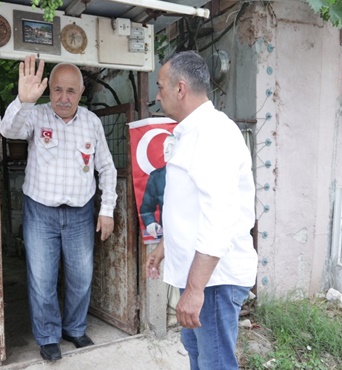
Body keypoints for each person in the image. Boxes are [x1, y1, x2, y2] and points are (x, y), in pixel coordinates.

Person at [0, 55, 117, 361]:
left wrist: (107, 209)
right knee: (42, 278)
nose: (63, 98)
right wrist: (23, 101)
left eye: (71, 91)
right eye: (58, 90)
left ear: (81, 93)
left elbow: (106, 167)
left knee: (81, 276)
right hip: (41, 212)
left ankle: (75, 328)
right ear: (49, 90)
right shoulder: (36, 116)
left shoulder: (91, 122)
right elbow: (8, 132)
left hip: (80, 214)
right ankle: (48, 335)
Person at [145, 50, 258, 369]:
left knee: (215, 363)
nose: (158, 95)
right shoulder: (190, 133)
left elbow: (219, 218)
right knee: (198, 355)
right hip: (198, 276)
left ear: (180, 88)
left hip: (214, 281)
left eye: (161, 86)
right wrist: (165, 247)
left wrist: (195, 291)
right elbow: (191, 204)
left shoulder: (213, 133)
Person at [139, 134, 175, 239]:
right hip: (166, 236)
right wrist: (150, 223)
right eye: (165, 146)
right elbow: (146, 208)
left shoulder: (193, 174)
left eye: (171, 146)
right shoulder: (157, 177)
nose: (166, 150)